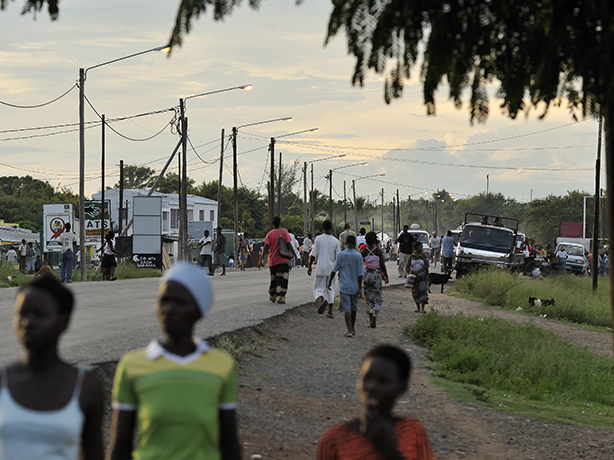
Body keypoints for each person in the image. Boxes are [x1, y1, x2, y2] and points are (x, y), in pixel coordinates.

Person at [107, 263, 241, 460]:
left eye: (179, 302)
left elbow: (229, 442)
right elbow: (120, 444)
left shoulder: (221, 367)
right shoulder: (132, 366)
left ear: (198, 309)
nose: (169, 309)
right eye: (164, 300)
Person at [0, 275, 104, 460]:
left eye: (40, 314)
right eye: (21, 313)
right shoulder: (2, 383)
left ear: (63, 321)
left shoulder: (86, 389)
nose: (27, 323)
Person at [316, 345, 435, 460]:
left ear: (402, 387)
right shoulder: (333, 440)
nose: (372, 386)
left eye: (383, 381)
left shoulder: (412, 432)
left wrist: (391, 451)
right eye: (366, 378)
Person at [328, 235, 364, 337]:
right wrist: (360, 288)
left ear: (346, 243)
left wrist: (329, 281)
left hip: (344, 286)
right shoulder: (358, 256)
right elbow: (360, 274)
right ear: (355, 243)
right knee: (354, 308)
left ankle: (349, 330)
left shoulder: (341, 255)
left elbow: (334, 270)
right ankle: (353, 329)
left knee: (347, 308)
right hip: (355, 286)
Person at [308, 220, 341, 318]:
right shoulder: (335, 241)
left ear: (323, 229)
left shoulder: (318, 239)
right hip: (331, 269)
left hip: (321, 267)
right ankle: (330, 312)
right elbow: (338, 257)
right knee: (330, 289)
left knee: (318, 288)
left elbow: (313, 254)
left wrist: (310, 266)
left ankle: (321, 299)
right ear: (331, 228)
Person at [259, 216, 295, 304]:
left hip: (273, 260)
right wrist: (294, 255)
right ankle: (280, 297)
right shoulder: (284, 232)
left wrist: (260, 259)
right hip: (283, 259)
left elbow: (265, 248)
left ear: (272, 223)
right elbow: (289, 245)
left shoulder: (269, 234)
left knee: (274, 279)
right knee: (282, 279)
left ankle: (273, 294)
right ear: (280, 223)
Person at [360, 231, 389, 329]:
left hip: (367, 274)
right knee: (377, 296)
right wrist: (386, 276)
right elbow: (382, 265)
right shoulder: (378, 251)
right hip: (376, 275)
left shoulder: (363, 252)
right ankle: (375, 314)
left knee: (368, 297)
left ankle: (370, 318)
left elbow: (360, 266)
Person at [406, 241, 429, 313]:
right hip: (414, 277)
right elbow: (407, 267)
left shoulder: (424, 256)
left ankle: (423, 308)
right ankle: (418, 308)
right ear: (416, 247)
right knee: (415, 292)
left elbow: (426, 265)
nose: (421, 248)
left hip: (423, 275)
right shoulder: (411, 257)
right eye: (420, 246)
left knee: (423, 291)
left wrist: (418, 272)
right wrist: (413, 274)